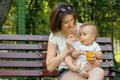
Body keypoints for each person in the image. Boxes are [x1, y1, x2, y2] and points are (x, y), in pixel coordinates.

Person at [46, 2, 104, 80]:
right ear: (58, 23)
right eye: (66, 22)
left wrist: (93, 58)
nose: (71, 24)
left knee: (99, 71)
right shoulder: (55, 36)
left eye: (72, 20)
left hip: (88, 66)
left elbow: (95, 52)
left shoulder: (84, 29)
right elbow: (50, 67)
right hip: (67, 70)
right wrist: (66, 50)